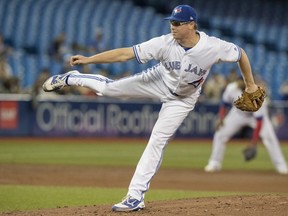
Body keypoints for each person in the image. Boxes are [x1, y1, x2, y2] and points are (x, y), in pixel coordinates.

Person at [43, 5, 263, 211]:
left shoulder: (213, 47)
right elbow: (124, 54)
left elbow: (240, 53)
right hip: (157, 80)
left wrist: (250, 84)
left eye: (177, 23)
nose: (172, 26)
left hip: (183, 100)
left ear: (191, 25)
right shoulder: (164, 43)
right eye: (172, 22)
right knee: (109, 90)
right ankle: (73, 78)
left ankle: (135, 196)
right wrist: (89, 59)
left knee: (157, 139)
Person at [205, 78, 288, 175]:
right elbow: (224, 103)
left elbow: (259, 122)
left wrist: (253, 142)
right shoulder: (232, 88)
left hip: (254, 117)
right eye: (242, 81)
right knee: (220, 133)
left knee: (270, 138)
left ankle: (281, 166)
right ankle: (214, 163)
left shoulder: (257, 95)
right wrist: (221, 118)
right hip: (238, 114)